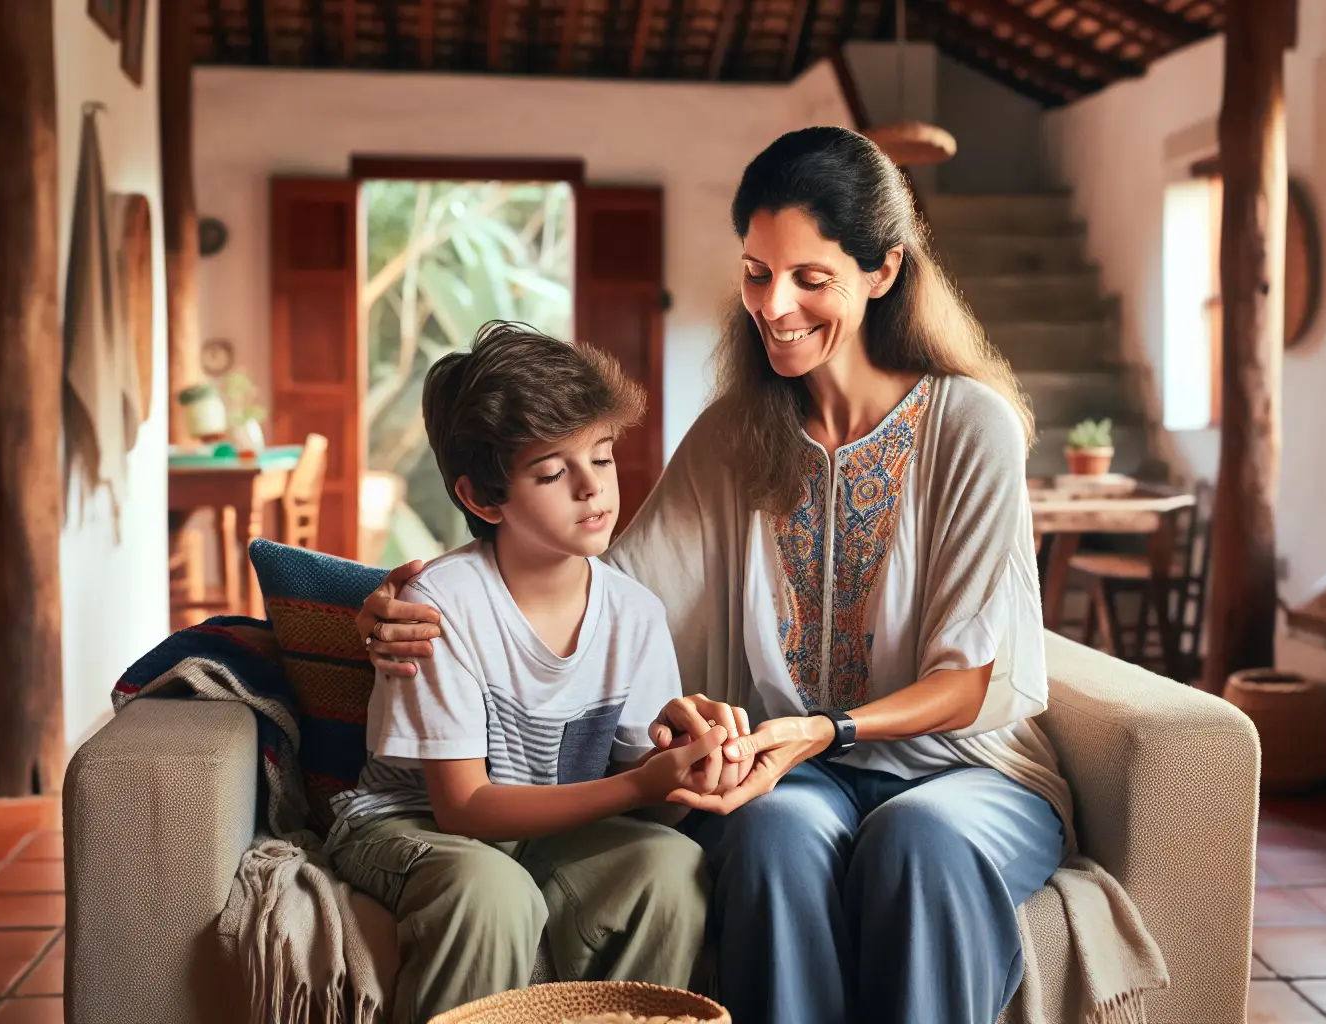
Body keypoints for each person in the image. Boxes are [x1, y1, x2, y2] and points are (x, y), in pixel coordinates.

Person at [358, 126, 1073, 1024]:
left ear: (883, 271)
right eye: (755, 272)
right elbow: (593, 584)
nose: (774, 306)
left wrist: (822, 729)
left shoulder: (973, 426)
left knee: (917, 840)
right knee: (770, 829)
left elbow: (967, 682)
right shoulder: (734, 435)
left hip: (961, 769)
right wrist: (390, 602)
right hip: (794, 775)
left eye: (812, 279)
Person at [325, 323, 728, 1024]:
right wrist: (640, 781)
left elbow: (647, 793)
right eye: (551, 473)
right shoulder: (438, 608)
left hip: (540, 836)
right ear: (483, 500)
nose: (591, 488)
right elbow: (463, 809)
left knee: (670, 865)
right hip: (413, 826)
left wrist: (686, 762)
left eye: (601, 458)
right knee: (495, 891)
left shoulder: (634, 614)